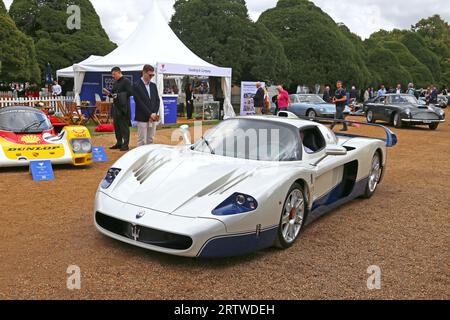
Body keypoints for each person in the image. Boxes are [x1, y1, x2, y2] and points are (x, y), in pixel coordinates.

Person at [105, 67, 133, 151]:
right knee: (116, 126)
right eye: (112, 75)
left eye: (114, 74)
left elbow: (130, 92)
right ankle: (119, 143)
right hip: (116, 107)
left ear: (118, 72)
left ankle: (125, 145)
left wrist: (118, 95)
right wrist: (109, 94)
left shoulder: (126, 81)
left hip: (123, 107)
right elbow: (114, 94)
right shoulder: (116, 82)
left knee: (124, 126)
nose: (113, 76)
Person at [133, 64, 160, 147]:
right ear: (144, 73)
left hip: (153, 117)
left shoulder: (153, 85)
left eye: (153, 75)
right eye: (150, 74)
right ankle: (140, 157)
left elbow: (157, 100)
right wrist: (150, 114)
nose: (151, 76)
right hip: (142, 117)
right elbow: (139, 102)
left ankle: (150, 157)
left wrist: (154, 113)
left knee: (151, 139)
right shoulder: (136, 85)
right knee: (141, 140)